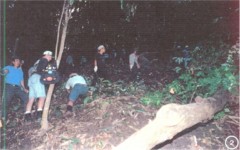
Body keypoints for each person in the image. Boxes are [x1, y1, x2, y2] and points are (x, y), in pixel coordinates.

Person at [24, 50, 53, 121]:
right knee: (42, 96)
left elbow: (31, 71)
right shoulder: (44, 60)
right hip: (37, 78)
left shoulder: (36, 63)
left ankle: (27, 116)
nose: (50, 58)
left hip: (31, 79)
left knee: (31, 99)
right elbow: (41, 70)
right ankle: (39, 115)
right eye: (50, 56)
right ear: (46, 55)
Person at [2, 56, 28, 121]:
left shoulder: (20, 71)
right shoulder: (8, 67)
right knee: (6, 102)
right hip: (9, 86)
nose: (18, 62)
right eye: (16, 60)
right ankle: (3, 118)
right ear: (13, 62)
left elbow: (21, 81)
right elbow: (3, 72)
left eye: (18, 61)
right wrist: (5, 71)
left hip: (18, 88)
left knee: (26, 98)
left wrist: (24, 89)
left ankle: (26, 114)